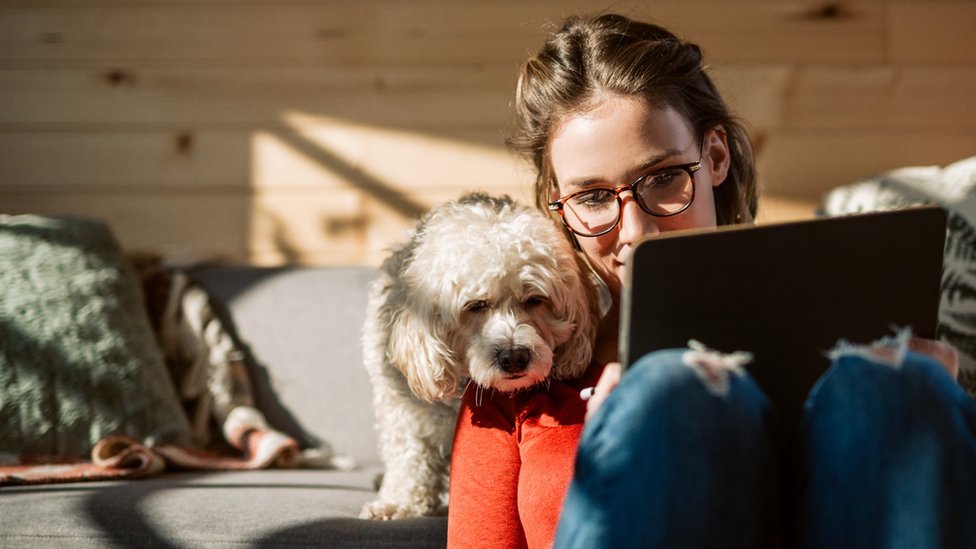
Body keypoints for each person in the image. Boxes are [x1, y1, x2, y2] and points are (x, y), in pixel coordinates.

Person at [447, 12, 976, 549]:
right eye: (592, 197)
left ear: (715, 156)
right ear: (559, 207)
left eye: (663, 178)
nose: (637, 230)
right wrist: (619, 452)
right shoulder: (513, 381)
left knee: (897, 386)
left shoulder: (854, 374)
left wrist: (938, 410)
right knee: (674, 391)